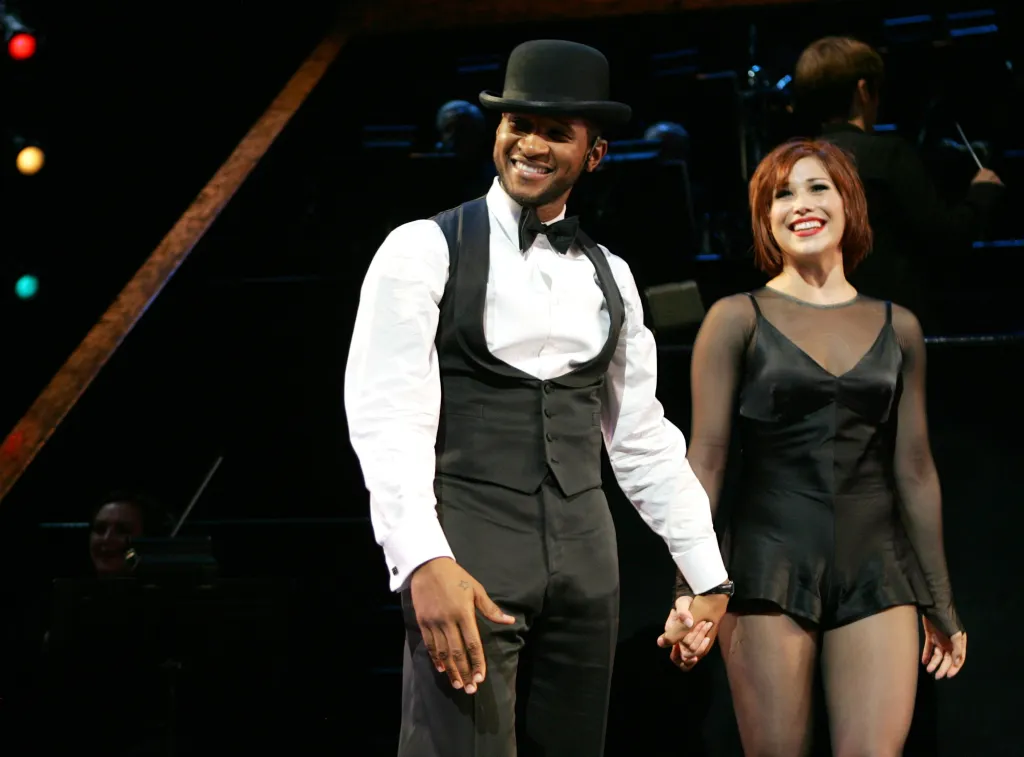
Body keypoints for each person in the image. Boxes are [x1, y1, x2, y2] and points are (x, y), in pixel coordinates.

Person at [344, 39, 731, 757]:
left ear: (595, 154)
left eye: (557, 132)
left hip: (587, 561)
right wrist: (421, 559)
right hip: (469, 547)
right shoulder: (422, 249)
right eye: (518, 123)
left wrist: (707, 572)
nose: (530, 144)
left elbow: (642, 437)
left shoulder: (611, 275)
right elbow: (385, 417)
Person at [659, 139, 967, 756]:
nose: (800, 204)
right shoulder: (736, 318)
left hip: (877, 566)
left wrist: (941, 600)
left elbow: (914, 469)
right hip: (767, 563)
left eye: (817, 187)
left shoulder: (898, 325)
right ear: (765, 219)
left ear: (848, 201)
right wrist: (688, 587)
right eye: (781, 194)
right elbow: (707, 458)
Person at [793, 36, 1004, 331]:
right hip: (892, 329)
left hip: (820, 331)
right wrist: (981, 194)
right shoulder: (888, 155)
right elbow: (946, 238)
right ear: (864, 91)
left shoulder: (791, 166)